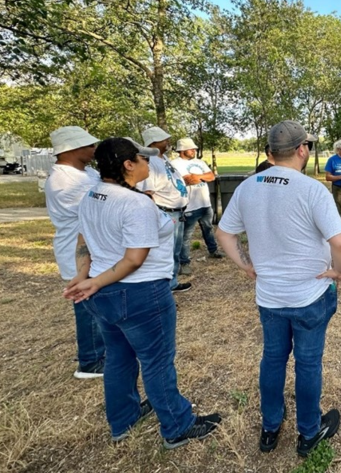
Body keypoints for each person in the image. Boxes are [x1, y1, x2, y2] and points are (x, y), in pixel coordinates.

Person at [63, 137, 221, 448]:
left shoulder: (93, 195)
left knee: (119, 358)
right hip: (140, 294)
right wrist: (93, 281)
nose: (149, 164)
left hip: (104, 294)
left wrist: (85, 276)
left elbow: (84, 240)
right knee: (157, 360)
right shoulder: (135, 204)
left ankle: (123, 419)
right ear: (128, 165)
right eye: (142, 159)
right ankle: (177, 426)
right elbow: (135, 259)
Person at [216, 120, 341, 457]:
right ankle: (308, 432)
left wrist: (245, 264)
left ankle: (270, 426)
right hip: (310, 296)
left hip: (270, 297)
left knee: (273, 360)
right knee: (308, 364)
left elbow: (223, 234)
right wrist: (337, 270)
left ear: (270, 152)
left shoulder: (248, 187)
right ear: (302, 149)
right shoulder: (311, 189)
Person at [45, 126, 106, 379]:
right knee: (87, 305)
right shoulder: (62, 180)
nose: (94, 149)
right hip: (77, 249)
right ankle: (90, 361)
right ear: (70, 149)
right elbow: (99, 205)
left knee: (99, 301)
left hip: (95, 247)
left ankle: (101, 352)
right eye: (89, 145)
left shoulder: (87, 172)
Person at [139, 127, 191, 293]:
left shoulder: (164, 158)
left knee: (174, 249)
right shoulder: (151, 162)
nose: (168, 142)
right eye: (164, 140)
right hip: (166, 212)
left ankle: (172, 282)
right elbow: (147, 192)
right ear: (153, 143)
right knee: (167, 251)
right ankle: (165, 287)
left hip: (177, 211)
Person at [171, 137, 223, 276]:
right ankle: (185, 262)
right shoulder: (174, 164)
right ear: (182, 150)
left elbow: (211, 176)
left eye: (195, 148)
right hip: (189, 206)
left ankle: (213, 250)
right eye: (191, 148)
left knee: (208, 228)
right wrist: (200, 177)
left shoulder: (199, 162)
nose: (194, 150)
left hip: (205, 203)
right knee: (185, 237)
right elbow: (187, 180)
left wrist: (197, 176)